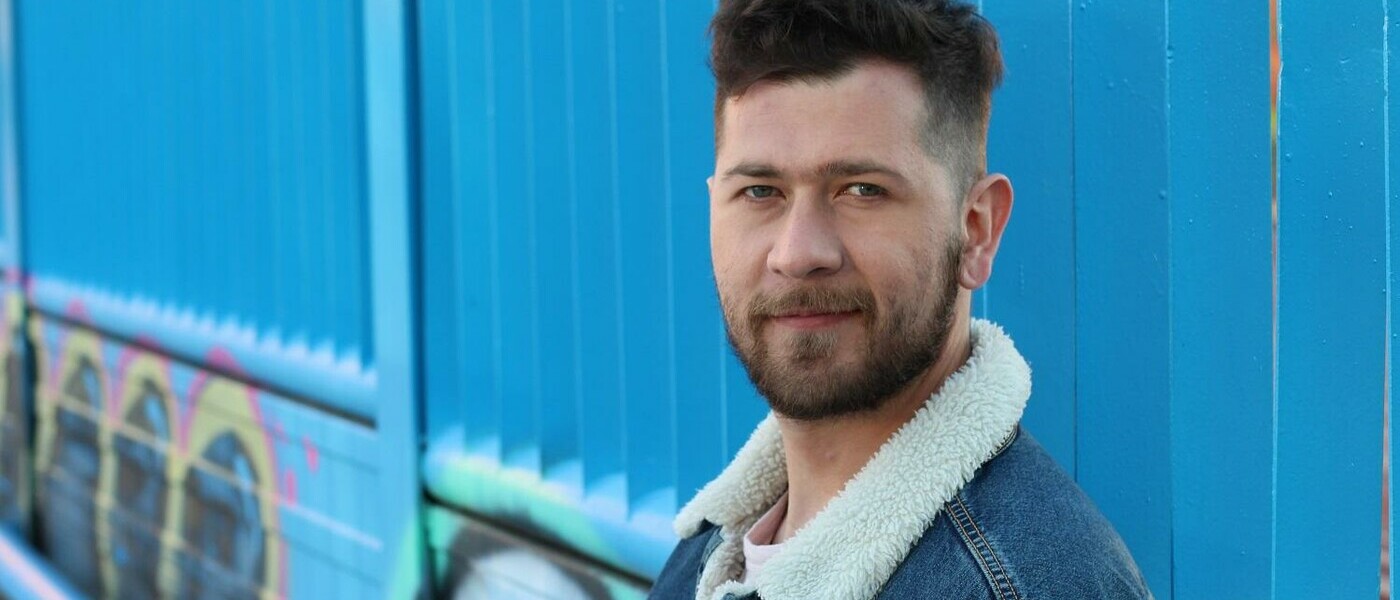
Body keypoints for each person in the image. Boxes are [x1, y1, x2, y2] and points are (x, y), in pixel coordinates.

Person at [650, 1, 1152, 598]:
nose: (798, 252)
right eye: (761, 190)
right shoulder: (711, 552)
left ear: (976, 230)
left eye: (862, 190)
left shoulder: (1035, 586)